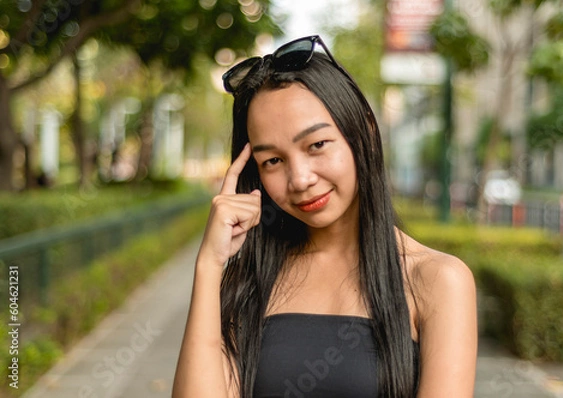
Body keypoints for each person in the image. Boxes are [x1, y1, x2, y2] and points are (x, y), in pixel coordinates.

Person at [172, 35, 477, 398]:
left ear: (364, 129)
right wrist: (210, 264)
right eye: (273, 160)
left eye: (316, 145)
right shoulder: (249, 279)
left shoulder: (438, 281)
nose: (300, 179)